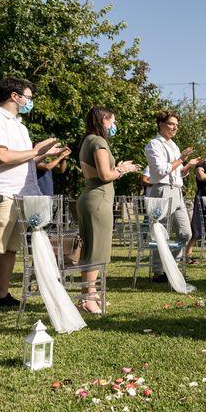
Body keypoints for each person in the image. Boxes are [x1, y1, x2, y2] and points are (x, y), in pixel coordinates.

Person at [0, 77, 62, 308]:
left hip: (22, 194)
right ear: (15, 96)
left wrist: (44, 153)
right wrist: (34, 150)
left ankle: (2, 295)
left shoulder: (20, 125)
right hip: (4, 192)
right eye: (29, 97)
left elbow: (27, 160)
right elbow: (3, 156)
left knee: (10, 250)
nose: (30, 101)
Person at [77, 106, 140, 313]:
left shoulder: (87, 140)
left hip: (90, 198)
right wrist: (122, 169)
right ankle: (87, 298)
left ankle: (91, 294)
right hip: (98, 199)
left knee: (92, 248)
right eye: (112, 121)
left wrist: (118, 168)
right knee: (96, 250)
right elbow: (105, 175)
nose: (114, 126)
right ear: (103, 120)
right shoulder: (99, 141)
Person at [145, 110, 201, 283]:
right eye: (171, 124)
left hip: (177, 190)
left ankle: (173, 267)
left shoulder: (174, 145)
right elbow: (161, 171)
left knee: (186, 232)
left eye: (177, 124)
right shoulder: (154, 144)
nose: (175, 127)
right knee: (160, 233)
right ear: (161, 125)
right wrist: (181, 158)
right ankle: (158, 272)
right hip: (162, 190)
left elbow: (178, 172)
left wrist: (188, 165)